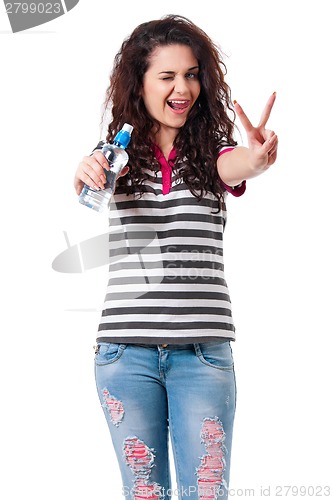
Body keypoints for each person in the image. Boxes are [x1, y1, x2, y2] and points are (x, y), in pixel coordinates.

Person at [74, 14, 278, 500]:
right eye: (166, 76)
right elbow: (87, 183)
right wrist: (85, 170)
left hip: (203, 354)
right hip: (125, 354)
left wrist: (258, 156)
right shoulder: (116, 157)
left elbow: (240, 164)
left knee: (205, 492)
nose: (181, 88)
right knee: (144, 494)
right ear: (139, 84)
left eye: (190, 75)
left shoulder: (212, 154)